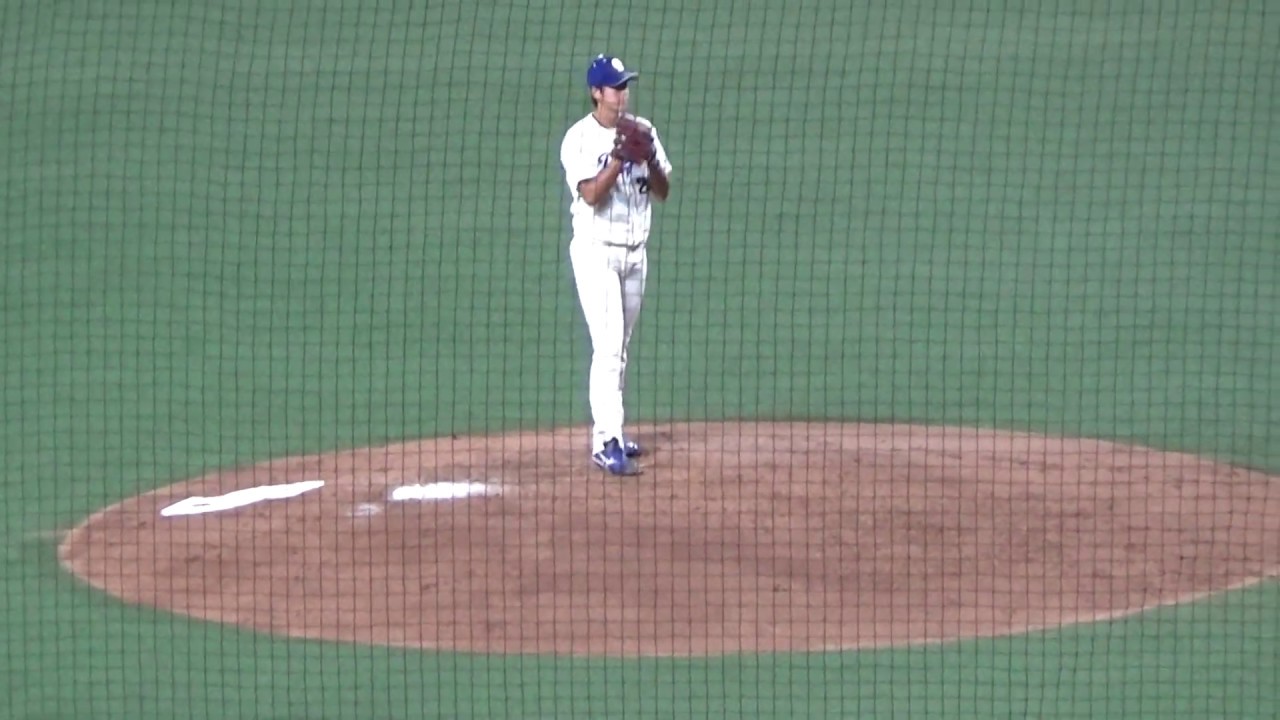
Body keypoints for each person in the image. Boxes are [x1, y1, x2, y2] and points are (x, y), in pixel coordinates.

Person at [558, 54, 673, 476]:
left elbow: (663, 190)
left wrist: (650, 160)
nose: (623, 94)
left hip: (635, 255)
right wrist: (620, 160)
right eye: (616, 87)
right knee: (607, 348)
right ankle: (606, 442)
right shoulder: (579, 139)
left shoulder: (644, 131)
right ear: (596, 92)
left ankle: (614, 432)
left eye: (625, 86)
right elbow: (590, 195)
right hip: (596, 253)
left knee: (619, 349)